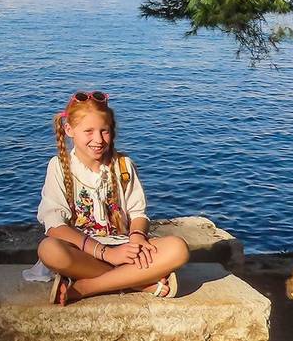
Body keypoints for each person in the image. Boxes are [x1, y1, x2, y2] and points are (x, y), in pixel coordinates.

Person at [36, 90, 189, 305]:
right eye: (88, 131)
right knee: (48, 249)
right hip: (83, 251)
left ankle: (87, 286)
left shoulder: (123, 165)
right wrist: (105, 253)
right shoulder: (59, 167)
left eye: (104, 131)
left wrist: (136, 236)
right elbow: (54, 225)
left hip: (124, 247)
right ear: (69, 130)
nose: (98, 139)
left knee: (178, 248)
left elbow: (138, 213)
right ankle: (138, 282)